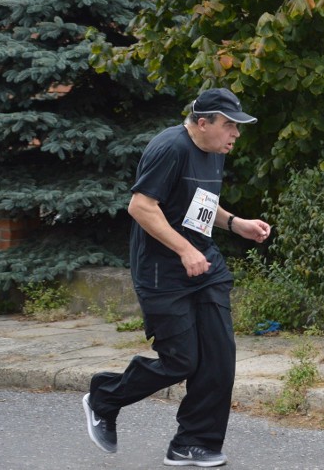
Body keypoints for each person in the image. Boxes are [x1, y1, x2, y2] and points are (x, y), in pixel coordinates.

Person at [82, 88, 271, 467]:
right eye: (229, 126)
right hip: (162, 271)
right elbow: (141, 206)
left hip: (205, 266)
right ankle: (105, 396)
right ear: (203, 123)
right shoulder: (170, 148)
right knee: (180, 361)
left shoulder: (213, 151)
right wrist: (184, 249)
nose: (235, 134)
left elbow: (201, 201)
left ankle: (193, 442)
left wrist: (236, 224)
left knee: (220, 358)